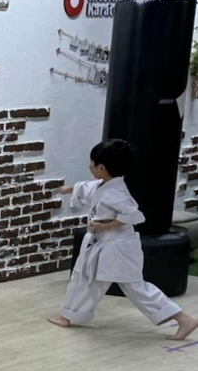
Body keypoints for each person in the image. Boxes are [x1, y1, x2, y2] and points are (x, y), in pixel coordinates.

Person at [48, 138, 197, 341]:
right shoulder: (106, 185)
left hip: (117, 246)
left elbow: (134, 216)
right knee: (88, 279)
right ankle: (68, 316)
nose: (89, 165)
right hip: (107, 244)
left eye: (91, 162)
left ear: (101, 168)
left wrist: (105, 225)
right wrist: (71, 189)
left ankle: (184, 319)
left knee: (132, 287)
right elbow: (89, 187)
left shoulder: (116, 193)